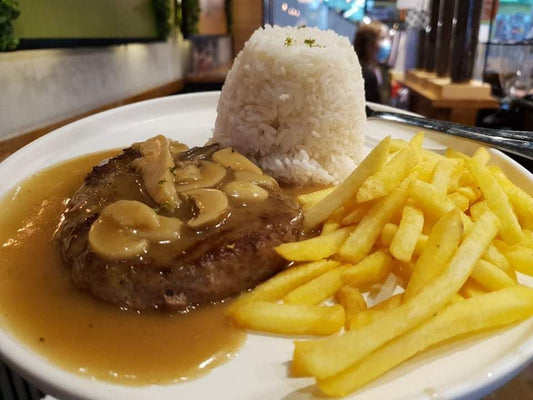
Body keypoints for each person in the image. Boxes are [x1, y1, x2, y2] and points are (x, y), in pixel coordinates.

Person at [354, 21, 390, 104]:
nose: (387, 43)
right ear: (369, 43)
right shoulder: (363, 73)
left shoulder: (379, 69)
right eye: (383, 38)